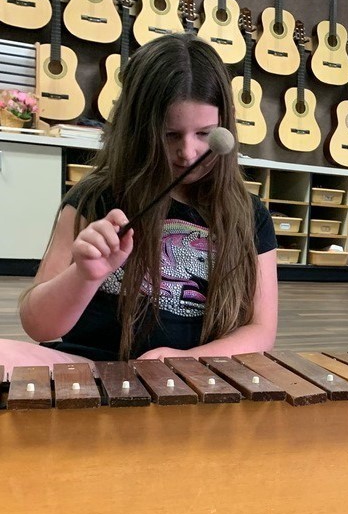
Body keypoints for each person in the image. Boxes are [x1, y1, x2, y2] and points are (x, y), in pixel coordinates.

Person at [0, 33, 278, 372]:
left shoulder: (250, 215)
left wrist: (182, 360)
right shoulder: (95, 199)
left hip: (195, 374)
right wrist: (84, 275)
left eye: (204, 134)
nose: (187, 152)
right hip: (91, 366)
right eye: (170, 134)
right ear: (138, 128)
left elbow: (261, 330)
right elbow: (39, 327)